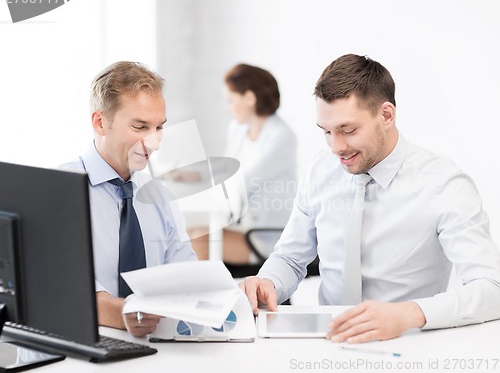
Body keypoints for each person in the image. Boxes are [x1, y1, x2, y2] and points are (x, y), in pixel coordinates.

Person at [240, 54, 500, 343]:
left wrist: (409, 314)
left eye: (348, 130)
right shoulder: (321, 170)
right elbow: (290, 258)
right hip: (329, 344)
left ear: (386, 115)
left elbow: (491, 288)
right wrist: (268, 282)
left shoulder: (443, 185)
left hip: (410, 344)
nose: (336, 147)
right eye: (326, 132)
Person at [61, 61, 197, 337]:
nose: (154, 142)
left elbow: (185, 276)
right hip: (78, 348)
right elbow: (62, 287)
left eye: (159, 127)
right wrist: (124, 312)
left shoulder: (160, 196)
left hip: (151, 348)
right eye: (140, 126)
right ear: (100, 123)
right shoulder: (56, 191)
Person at [172, 64, 297, 264]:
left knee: (199, 240)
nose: (228, 108)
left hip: (265, 236)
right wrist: (194, 175)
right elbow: (225, 168)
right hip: (241, 225)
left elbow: (242, 182)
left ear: (249, 98)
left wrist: (205, 189)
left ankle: (204, 294)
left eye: (231, 100)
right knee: (186, 234)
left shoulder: (282, 137)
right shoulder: (239, 130)